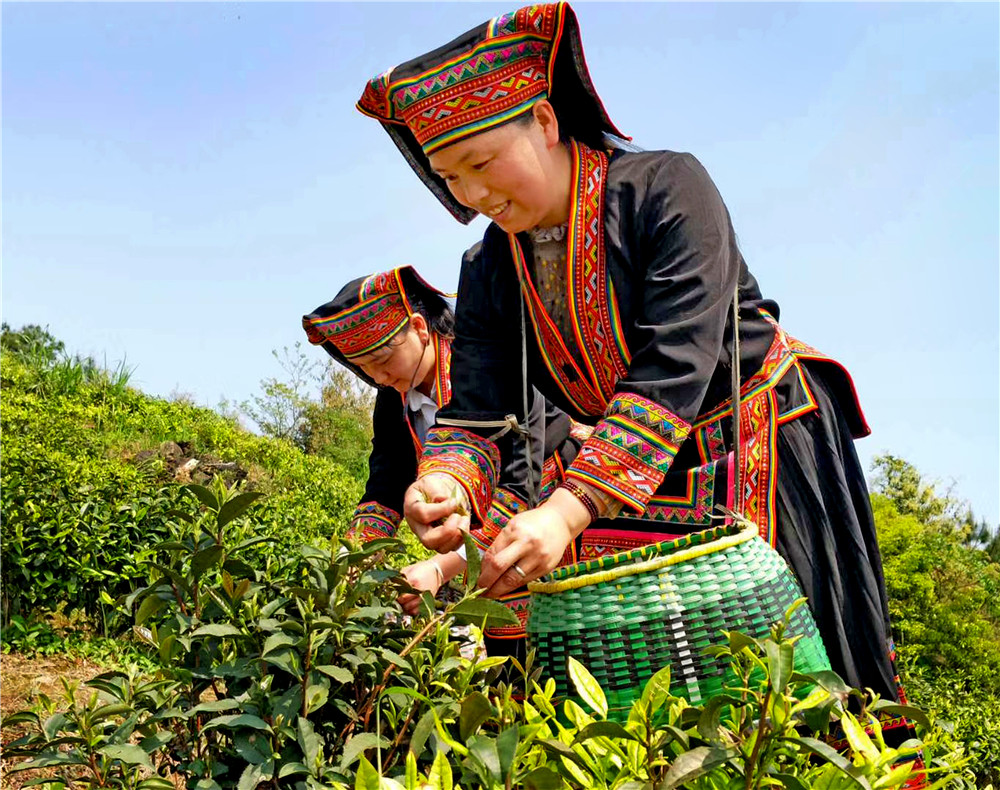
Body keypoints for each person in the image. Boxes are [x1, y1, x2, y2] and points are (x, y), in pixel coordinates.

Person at [355, 0, 921, 752]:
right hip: (641, 465)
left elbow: (676, 365)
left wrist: (564, 511)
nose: (475, 195)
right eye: (452, 177)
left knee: (804, 661)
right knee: (665, 676)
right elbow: (479, 407)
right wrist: (448, 483)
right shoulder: (490, 263)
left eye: (484, 163)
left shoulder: (666, 188)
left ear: (547, 124)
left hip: (762, 432)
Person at [301, 261, 587, 658]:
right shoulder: (394, 401)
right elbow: (386, 481)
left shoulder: (492, 367)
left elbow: (521, 482)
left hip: (555, 514)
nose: (380, 378)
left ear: (420, 329)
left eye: (384, 362)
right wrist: (357, 557)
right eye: (365, 370)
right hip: (485, 543)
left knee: (568, 649)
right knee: (510, 667)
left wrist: (442, 568)